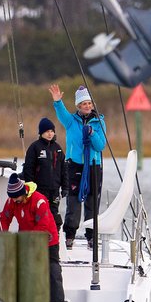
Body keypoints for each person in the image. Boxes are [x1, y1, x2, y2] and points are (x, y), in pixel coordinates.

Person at [0, 172, 67, 302]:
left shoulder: (39, 201)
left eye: (17, 197)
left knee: (52, 270)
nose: (15, 200)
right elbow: (4, 218)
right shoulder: (12, 201)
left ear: (23, 193)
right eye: (12, 197)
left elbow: (42, 225)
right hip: (26, 239)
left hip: (47, 239)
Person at [49, 84, 106, 250]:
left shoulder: (99, 122)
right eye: (84, 103)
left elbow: (100, 146)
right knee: (73, 204)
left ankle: (91, 237)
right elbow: (61, 113)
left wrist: (92, 134)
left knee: (92, 203)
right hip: (74, 166)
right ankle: (70, 236)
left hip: (93, 166)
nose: (87, 106)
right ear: (78, 106)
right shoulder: (71, 121)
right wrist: (58, 101)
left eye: (89, 103)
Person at [21, 116, 69, 230]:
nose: (50, 134)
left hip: (55, 189)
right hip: (39, 189)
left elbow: (64, 169)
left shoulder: (57, 148)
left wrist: (65, 187)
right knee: (40, 213)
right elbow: (28, 168)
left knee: (54, 215)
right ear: (41, 132)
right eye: (47, 131)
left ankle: (54, 238)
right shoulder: (35, 147)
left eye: (52, 131)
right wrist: (30, 186)